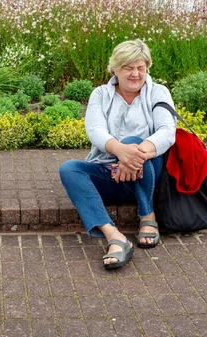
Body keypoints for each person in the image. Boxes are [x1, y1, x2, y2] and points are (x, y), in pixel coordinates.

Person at [59, 39, 177, 270]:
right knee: (69, 169)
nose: (135, 74)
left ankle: (147, 216)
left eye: (140, 68)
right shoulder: (100, 94)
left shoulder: (158, 92)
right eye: (128, 68)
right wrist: (119, 151)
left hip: (147, 174)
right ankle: (115, 236)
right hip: (110, 175)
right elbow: (95, 130)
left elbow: (167, 132)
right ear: (115, 68)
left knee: (134, 141)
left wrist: (131, 152)